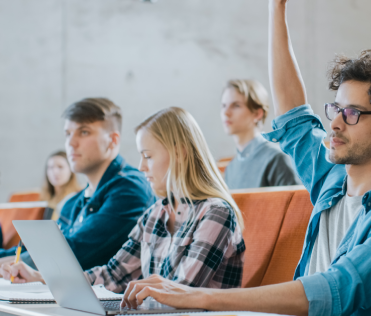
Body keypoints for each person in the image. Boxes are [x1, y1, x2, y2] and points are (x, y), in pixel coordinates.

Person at [119, 0, 371, 316]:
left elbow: (335, 289)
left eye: (352, 113)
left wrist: (199, 297)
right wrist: (276, 5)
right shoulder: (332, 180)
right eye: (335, 107)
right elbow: (294, 117)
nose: (334, 122)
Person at [2, 107, 245, 291]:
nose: (140, 166)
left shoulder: (216, 213)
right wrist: (41, 278)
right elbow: (112, 275)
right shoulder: (155, 213)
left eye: (147, 156)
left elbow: (180, 294)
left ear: (180, 152)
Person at [0, 98, 155, 270]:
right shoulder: (73, 204)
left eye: (84, 132)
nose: (71, 143)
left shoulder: (131, 190)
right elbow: (37, 249)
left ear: (113, 140)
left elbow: (73, 254)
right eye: (68, 134)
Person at [221, 79, 300, 189]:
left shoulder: (277, 158)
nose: (226, 113)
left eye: (236, 105)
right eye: (224, 105)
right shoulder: (230, 169)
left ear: (257, 114)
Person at [40, 150, 81, 222]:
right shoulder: (43, 199)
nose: (55, 172)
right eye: (51, 167)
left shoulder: (76, 199)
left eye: (60, 167)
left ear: (71, 171)